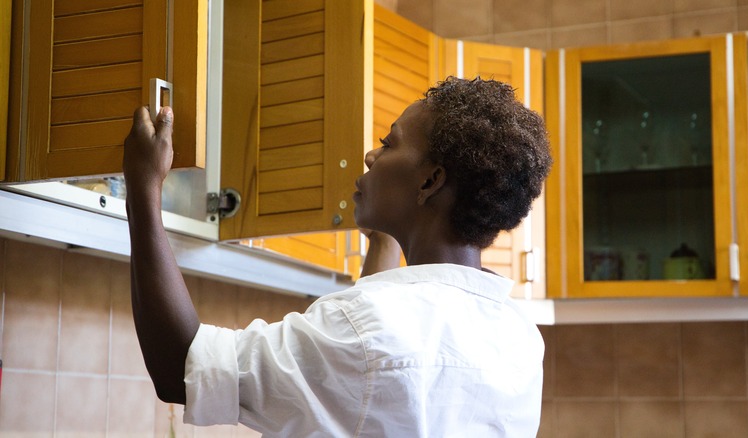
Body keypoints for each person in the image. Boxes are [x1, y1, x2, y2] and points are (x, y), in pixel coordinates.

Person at [123, 76, 552, 437]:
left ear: (430, 181)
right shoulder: (518, 337)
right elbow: (372, 398)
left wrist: (144, 187)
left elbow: (180, 367)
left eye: (388, 143)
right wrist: (385, 241)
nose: (370, 155)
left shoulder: (362, 327)